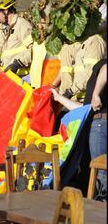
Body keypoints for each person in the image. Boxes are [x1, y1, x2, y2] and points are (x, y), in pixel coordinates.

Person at [51, 59, 106, 200]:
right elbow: (84, 109)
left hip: (101, 124)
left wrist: (95, 94)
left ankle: (100, 210)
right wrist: (59, 98)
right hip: (97, 122)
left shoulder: (102, 65)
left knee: (100, 170)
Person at [53, 34, 106, 101]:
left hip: (86, 100)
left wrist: (70, 92)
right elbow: (66, 72)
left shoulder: (94, 42)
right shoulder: (68, 45)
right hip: (70, 100)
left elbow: (90, 74)